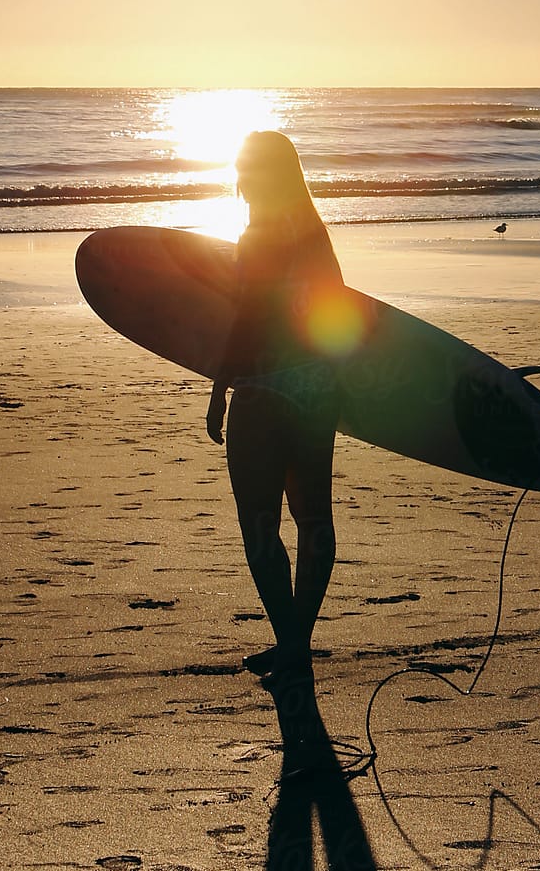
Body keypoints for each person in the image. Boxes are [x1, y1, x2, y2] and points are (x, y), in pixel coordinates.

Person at [206, 130, 344, 677]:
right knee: (313, 519)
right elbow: (337, 311)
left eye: (245, 166)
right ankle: (297, 641)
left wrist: (221, 385)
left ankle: (290, 640)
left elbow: (251, 318)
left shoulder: (259, 235)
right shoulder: (315, 234)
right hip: (316, 387)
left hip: (265, 389)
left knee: (259, 520)